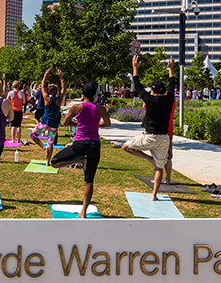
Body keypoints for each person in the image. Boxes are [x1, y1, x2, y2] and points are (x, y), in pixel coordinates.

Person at [51, 82, 111, 218]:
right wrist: (95, 124)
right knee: (88, 180)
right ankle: (83, 212)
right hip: (94, 145)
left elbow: (65, 122)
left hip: (80, 144)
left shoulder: (76, 107)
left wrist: (78, 124)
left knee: (54, 162)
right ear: (95, 94)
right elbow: (107, 123)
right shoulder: (100, 108)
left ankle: (81, 160)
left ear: (82, 93)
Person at [122, 55, 175, 200]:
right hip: (164, 138)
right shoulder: (169, 99)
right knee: (159, 168)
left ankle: (149, 159)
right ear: (163, 91)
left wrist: (135, 68)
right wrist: (171, 69)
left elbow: (137, 86)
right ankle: (154, 195)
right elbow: (172, 85)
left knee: (126, 146)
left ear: (152, 91)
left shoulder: (149, 99)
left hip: (149, 136)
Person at [29, 69, 65, 164]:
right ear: (56, 91)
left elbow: (43, 86)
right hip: (54, 124)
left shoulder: (47, 98)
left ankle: (43, 147)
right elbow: (64, 89)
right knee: (51, 143)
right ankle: (47, 162)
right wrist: (61, 78)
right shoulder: (59, 99)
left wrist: (45, 75)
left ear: (49, 91)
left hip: (45, 122)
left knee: (33, 135)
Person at [8, 80, 26, 145]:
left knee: (13, 125)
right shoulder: (21, 93)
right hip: (19, 110)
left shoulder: (10, 92)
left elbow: (7, 101)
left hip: (12, 110)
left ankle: (13, 139)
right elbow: (24, 101)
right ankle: (18, 140)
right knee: (18, 125)